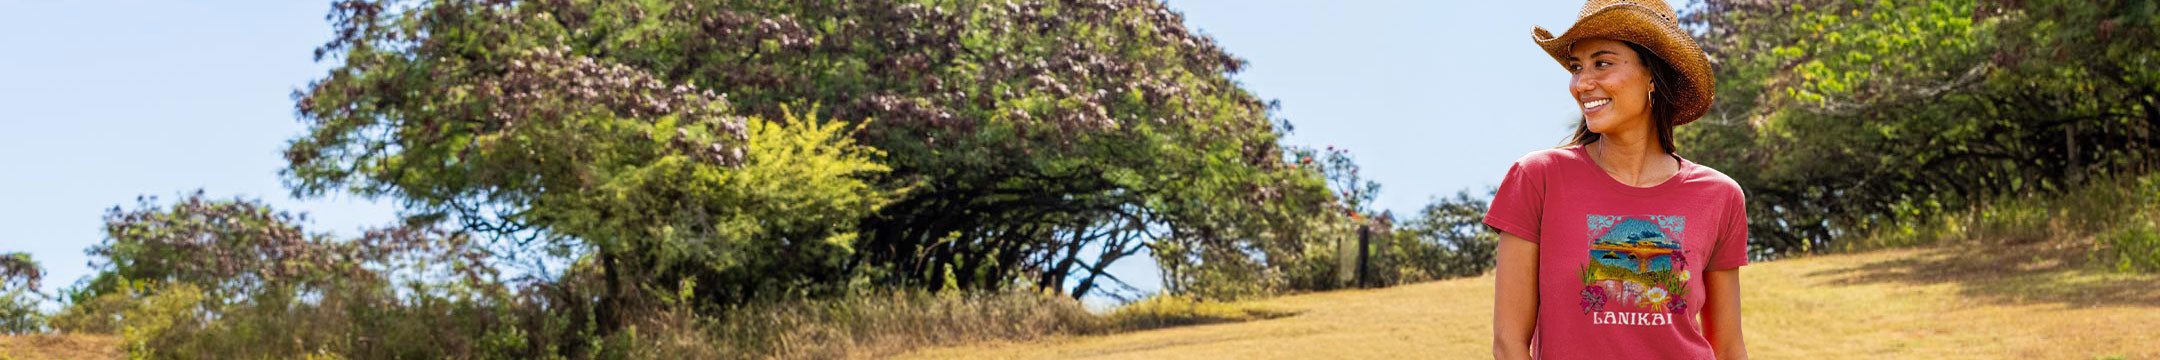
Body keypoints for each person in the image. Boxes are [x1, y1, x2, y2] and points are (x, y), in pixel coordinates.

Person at [1488, 1, 1749, 359]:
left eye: (1602, 63)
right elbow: (1509, 343)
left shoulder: (1719, 195)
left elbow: (1730, 346)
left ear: (1653, 77)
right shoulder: (1538, 178)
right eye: (1577, 67)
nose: (1582, 83)